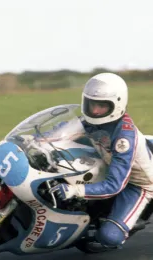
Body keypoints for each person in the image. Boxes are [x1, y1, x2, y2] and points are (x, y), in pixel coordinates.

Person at [52, 72, 153, 248]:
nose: (95, 110)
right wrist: (34, 139)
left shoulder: (124, 139)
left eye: (102, 106)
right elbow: (62, 132)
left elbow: (115, 185)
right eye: (92, 104)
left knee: (109, 237)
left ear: (117, 105)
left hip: (137, 184)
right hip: (108, 164)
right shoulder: (92, 120)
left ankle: (126, 224)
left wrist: (75, 190)